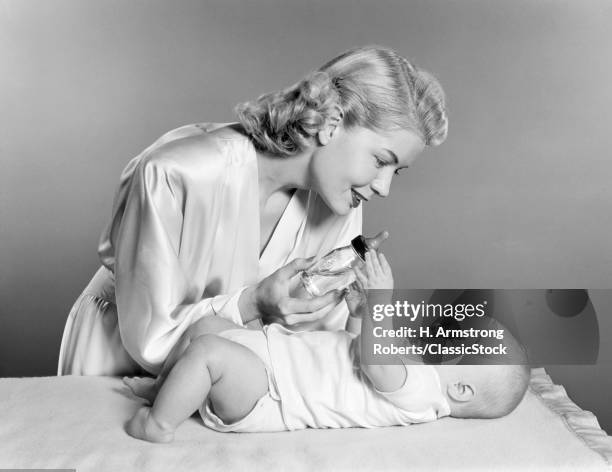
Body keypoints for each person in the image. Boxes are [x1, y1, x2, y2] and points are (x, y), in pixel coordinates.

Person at [58, 44, 449, 377]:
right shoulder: (178, 173)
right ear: (331, 123)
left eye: (397, 171)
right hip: (119, 356)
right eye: (381, 160)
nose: (384, 187)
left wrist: (364, 317)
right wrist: (252, 304)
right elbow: (150, 339)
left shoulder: (339, 202)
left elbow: (324, 341)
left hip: (225, 381)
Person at [123, 251, 530, 443]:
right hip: (272, 359)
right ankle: (165, 390)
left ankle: (158, 425)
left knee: (209, 352)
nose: (443, 337)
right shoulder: (414, 369)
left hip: (271, 394)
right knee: (208, 326)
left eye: (458, 347)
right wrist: (358, 313)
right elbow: (357, 349)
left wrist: (380, 305)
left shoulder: (425, 394)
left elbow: (378, 368)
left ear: (461, 389)